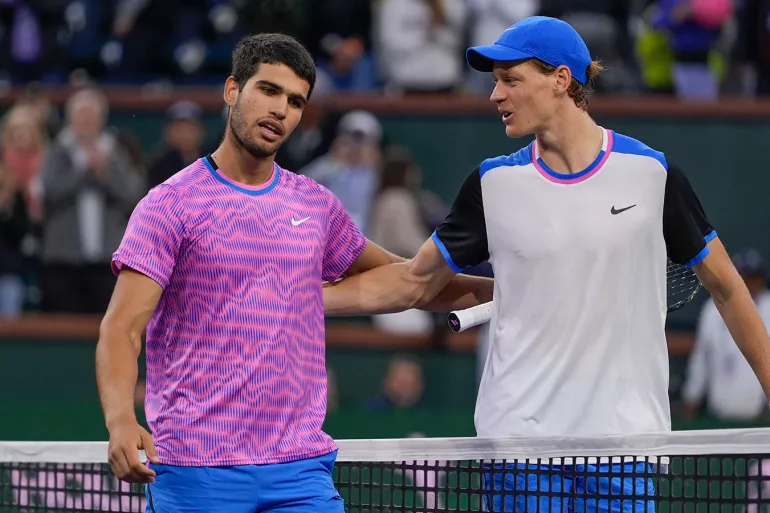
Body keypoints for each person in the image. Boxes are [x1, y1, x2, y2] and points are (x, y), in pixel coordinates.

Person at [323, 16, 770, 513]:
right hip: (519, 451)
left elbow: (727, 288)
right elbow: (412, 282)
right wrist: (302, 297)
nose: (495, 95)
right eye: (495, 81)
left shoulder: (651, 173)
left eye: (510, 79)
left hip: (621, 450)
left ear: (561, 79)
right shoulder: (492, 184)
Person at [95, 33, 491, 513]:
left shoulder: (315, 204)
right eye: (268, 90)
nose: (281, 109)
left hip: (301, 470)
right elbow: (122, 327)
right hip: (196, 470)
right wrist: (120, 419)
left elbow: (411, 280)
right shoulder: (169, 205)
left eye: (296, 101)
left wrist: (505, 291)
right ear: (231, 90)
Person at [681, 249, 770, 422]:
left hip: (759, 416)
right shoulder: (712, 310)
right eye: (745, 277)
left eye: (754, 277)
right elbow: (701, 357)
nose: (750, 283)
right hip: (718, 414)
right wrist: (692, 396)